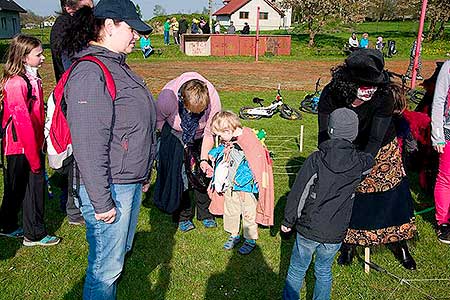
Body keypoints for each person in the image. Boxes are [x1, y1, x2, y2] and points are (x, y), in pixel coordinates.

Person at [61, 1, 156, 299]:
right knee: (105, 269)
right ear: (110, 26)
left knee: (117, 255)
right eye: (131, 29)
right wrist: (102, 203)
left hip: (126, 181)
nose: (136, 37)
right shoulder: (91, 73)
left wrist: (143, 171)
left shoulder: (117, 66)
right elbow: (88, 145)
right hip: (109, 186)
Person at [318, 49, 417, 270]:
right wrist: (332, 163)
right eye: (363, 84)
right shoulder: (331, 94)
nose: (369, 90)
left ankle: (399, 243)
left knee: (391, 196)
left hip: (381, 148)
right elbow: (324, 134)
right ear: (348, 82)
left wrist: (363, 166)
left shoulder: (383, 96)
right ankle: (349, 243)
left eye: (373, 83)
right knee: (350, 198)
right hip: (345, 148)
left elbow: (374, 138)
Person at [282, 108, 373, 300]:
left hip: (309, 227)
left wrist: (288, 221)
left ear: (330, 130)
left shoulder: (315, 160)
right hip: (336, 231)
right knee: (323, 271)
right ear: (354, 133)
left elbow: (299, 193)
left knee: (297, 269)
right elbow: (370, 160)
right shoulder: (359, 163)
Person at [0, 35, 61, 246]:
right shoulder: (18, 83)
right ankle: (34, 234)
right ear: (25, 58)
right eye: (39, 54)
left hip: (29, 143)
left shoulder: (31, 78)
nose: (43, 58)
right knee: (31, 188)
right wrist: (35, 156)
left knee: (17, 186)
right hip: (21, 145)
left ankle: (6, 224)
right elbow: (22, 121)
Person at [154, 72, 221, 232]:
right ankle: (183, 215)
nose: (198, 115)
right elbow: (158, 121)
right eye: (193, 111)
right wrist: (177, 141)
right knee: (179, 176)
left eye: (201, 111)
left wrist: (204, 160)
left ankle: (205, 213)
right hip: (174, 135)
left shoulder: (212, 97)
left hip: (201, 138)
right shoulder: (167, 97)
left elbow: (209, 132)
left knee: (202, 174)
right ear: (182, 102)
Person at [50, 0, 93, 227]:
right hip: (74, 99)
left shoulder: (68, 25)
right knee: (76, 155)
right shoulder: (66, 27)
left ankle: (71, 202)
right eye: (87, 6)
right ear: (69, 7)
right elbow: (71, 69)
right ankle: (74, 208)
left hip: (72, 96)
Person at [207, 111, 274, 255]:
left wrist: (243, 180)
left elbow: (256, 161)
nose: (220, 138)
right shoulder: (231, 138)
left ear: (228, 130)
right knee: (231, 209)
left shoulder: (249, 140)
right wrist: (216, 152)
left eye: (220, 135)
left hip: (245, 186)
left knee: (248, 212)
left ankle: (250, 239)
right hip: (231, 184)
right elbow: (226, 148)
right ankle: (234, 234)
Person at [431, 60, 450, 244]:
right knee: (446, 177)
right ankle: (443, 222)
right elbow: (438, 100)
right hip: (448, 130)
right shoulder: (448, 67)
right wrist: (438, 135)